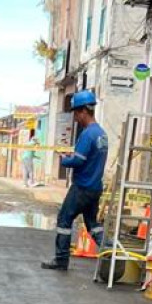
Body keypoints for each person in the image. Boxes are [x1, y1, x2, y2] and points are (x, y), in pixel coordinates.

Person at [42, 90, 108, 271]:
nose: (76, 118)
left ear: (83, 112)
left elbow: (79, 160)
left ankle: (61, 260)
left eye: (76, 114)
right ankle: (111, 254)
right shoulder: (102, 134)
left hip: (82, 187)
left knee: (64, 219)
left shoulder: (88, 134)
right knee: (93, 225)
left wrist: (64, 159)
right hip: (95, 187)